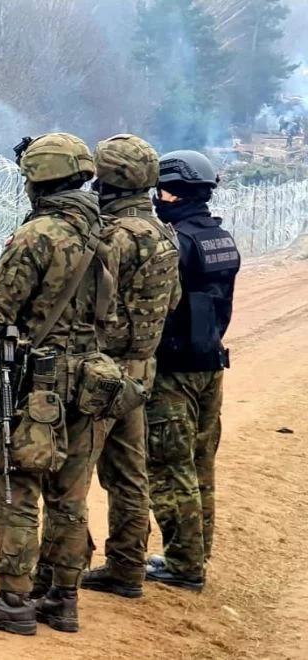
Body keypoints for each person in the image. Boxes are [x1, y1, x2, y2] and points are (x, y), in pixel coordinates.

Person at [0, 132, 112, 635]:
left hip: (36, 379)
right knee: (70, 495)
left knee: (17, 484)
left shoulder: (39, 234)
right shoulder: (104, 232)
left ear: (38, 179)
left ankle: (14, 601)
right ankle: (62, 599)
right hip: (90, 378)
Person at [80, 134, 181, 599]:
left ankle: (64, 567)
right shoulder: (164, 234)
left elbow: (83, 304)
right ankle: (126, 568)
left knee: (70, 471)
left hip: (99, 371)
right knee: (129, 475)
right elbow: (172, 299)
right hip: (141, 370)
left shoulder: (110, 237)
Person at [145, 150, 240, 592]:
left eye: (159, 190)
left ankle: (183, 564)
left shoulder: (176, 243)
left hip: (175, 370)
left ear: (172, 192)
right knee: (201, 464)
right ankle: (195, 554)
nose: (156, 198)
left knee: (169, 467)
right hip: (210, 365)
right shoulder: (220, 238)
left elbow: (155, 307)